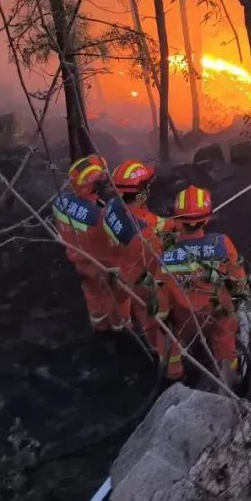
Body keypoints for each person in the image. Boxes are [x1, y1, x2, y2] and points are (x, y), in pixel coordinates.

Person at [102, 168, 185, 382]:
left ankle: (120, 329)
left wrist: (173, 224)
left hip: (116, 270)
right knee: (157, 320)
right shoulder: (143, 236)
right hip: (139, 279)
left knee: (120, 304)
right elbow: (161, 260)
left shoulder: (113, 206)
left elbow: (150, 221)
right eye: (146, 186)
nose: (150, 189)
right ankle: (171, 373)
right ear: (139, 193)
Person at [161, 185, 245, 389]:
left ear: (178, 220)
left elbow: (159, 291)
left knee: (175, 339)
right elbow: (238, 280)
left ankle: (174, 377)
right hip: (216, 311)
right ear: (207, 219)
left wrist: (164, 314)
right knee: (226, 337)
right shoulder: (221, 243)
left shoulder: (165, 249)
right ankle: (231, 380)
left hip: (184, 317)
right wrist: (237, 298)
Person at [53, 155, 127, 333]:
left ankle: (99, 325)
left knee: (92, 294)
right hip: (103, 264)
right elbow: (119, 240)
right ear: (90, 186)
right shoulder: (98, 216)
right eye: (100, 182)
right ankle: (119, 327)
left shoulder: (60, 201)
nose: (105, 184)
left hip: (78, 261)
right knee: (116, 295)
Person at [111, 159, 173, 239]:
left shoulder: (112, 203)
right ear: (140, 195)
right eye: (147, 186)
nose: (149, 188)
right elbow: (164, 225)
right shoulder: (143, 224)